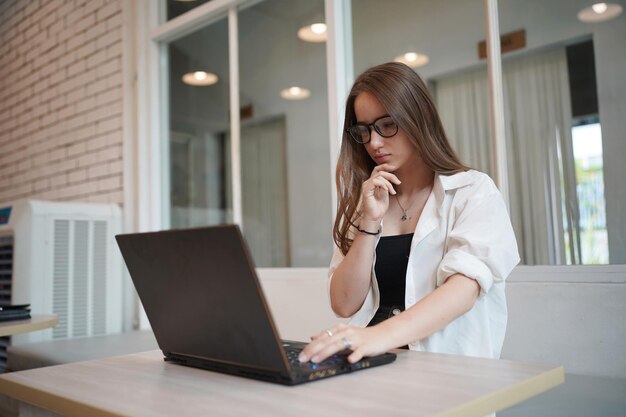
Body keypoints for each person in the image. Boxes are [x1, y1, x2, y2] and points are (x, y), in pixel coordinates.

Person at [298, 62, 520, 365]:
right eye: (364, 131)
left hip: (446, 373)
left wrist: (377, 337)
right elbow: (344, 304)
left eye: (387, 126)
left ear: (418, 119)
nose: (374, 143)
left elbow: (464, 290)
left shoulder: (472, 191)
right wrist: (369, 223)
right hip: (373, 366)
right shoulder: (368, 201)